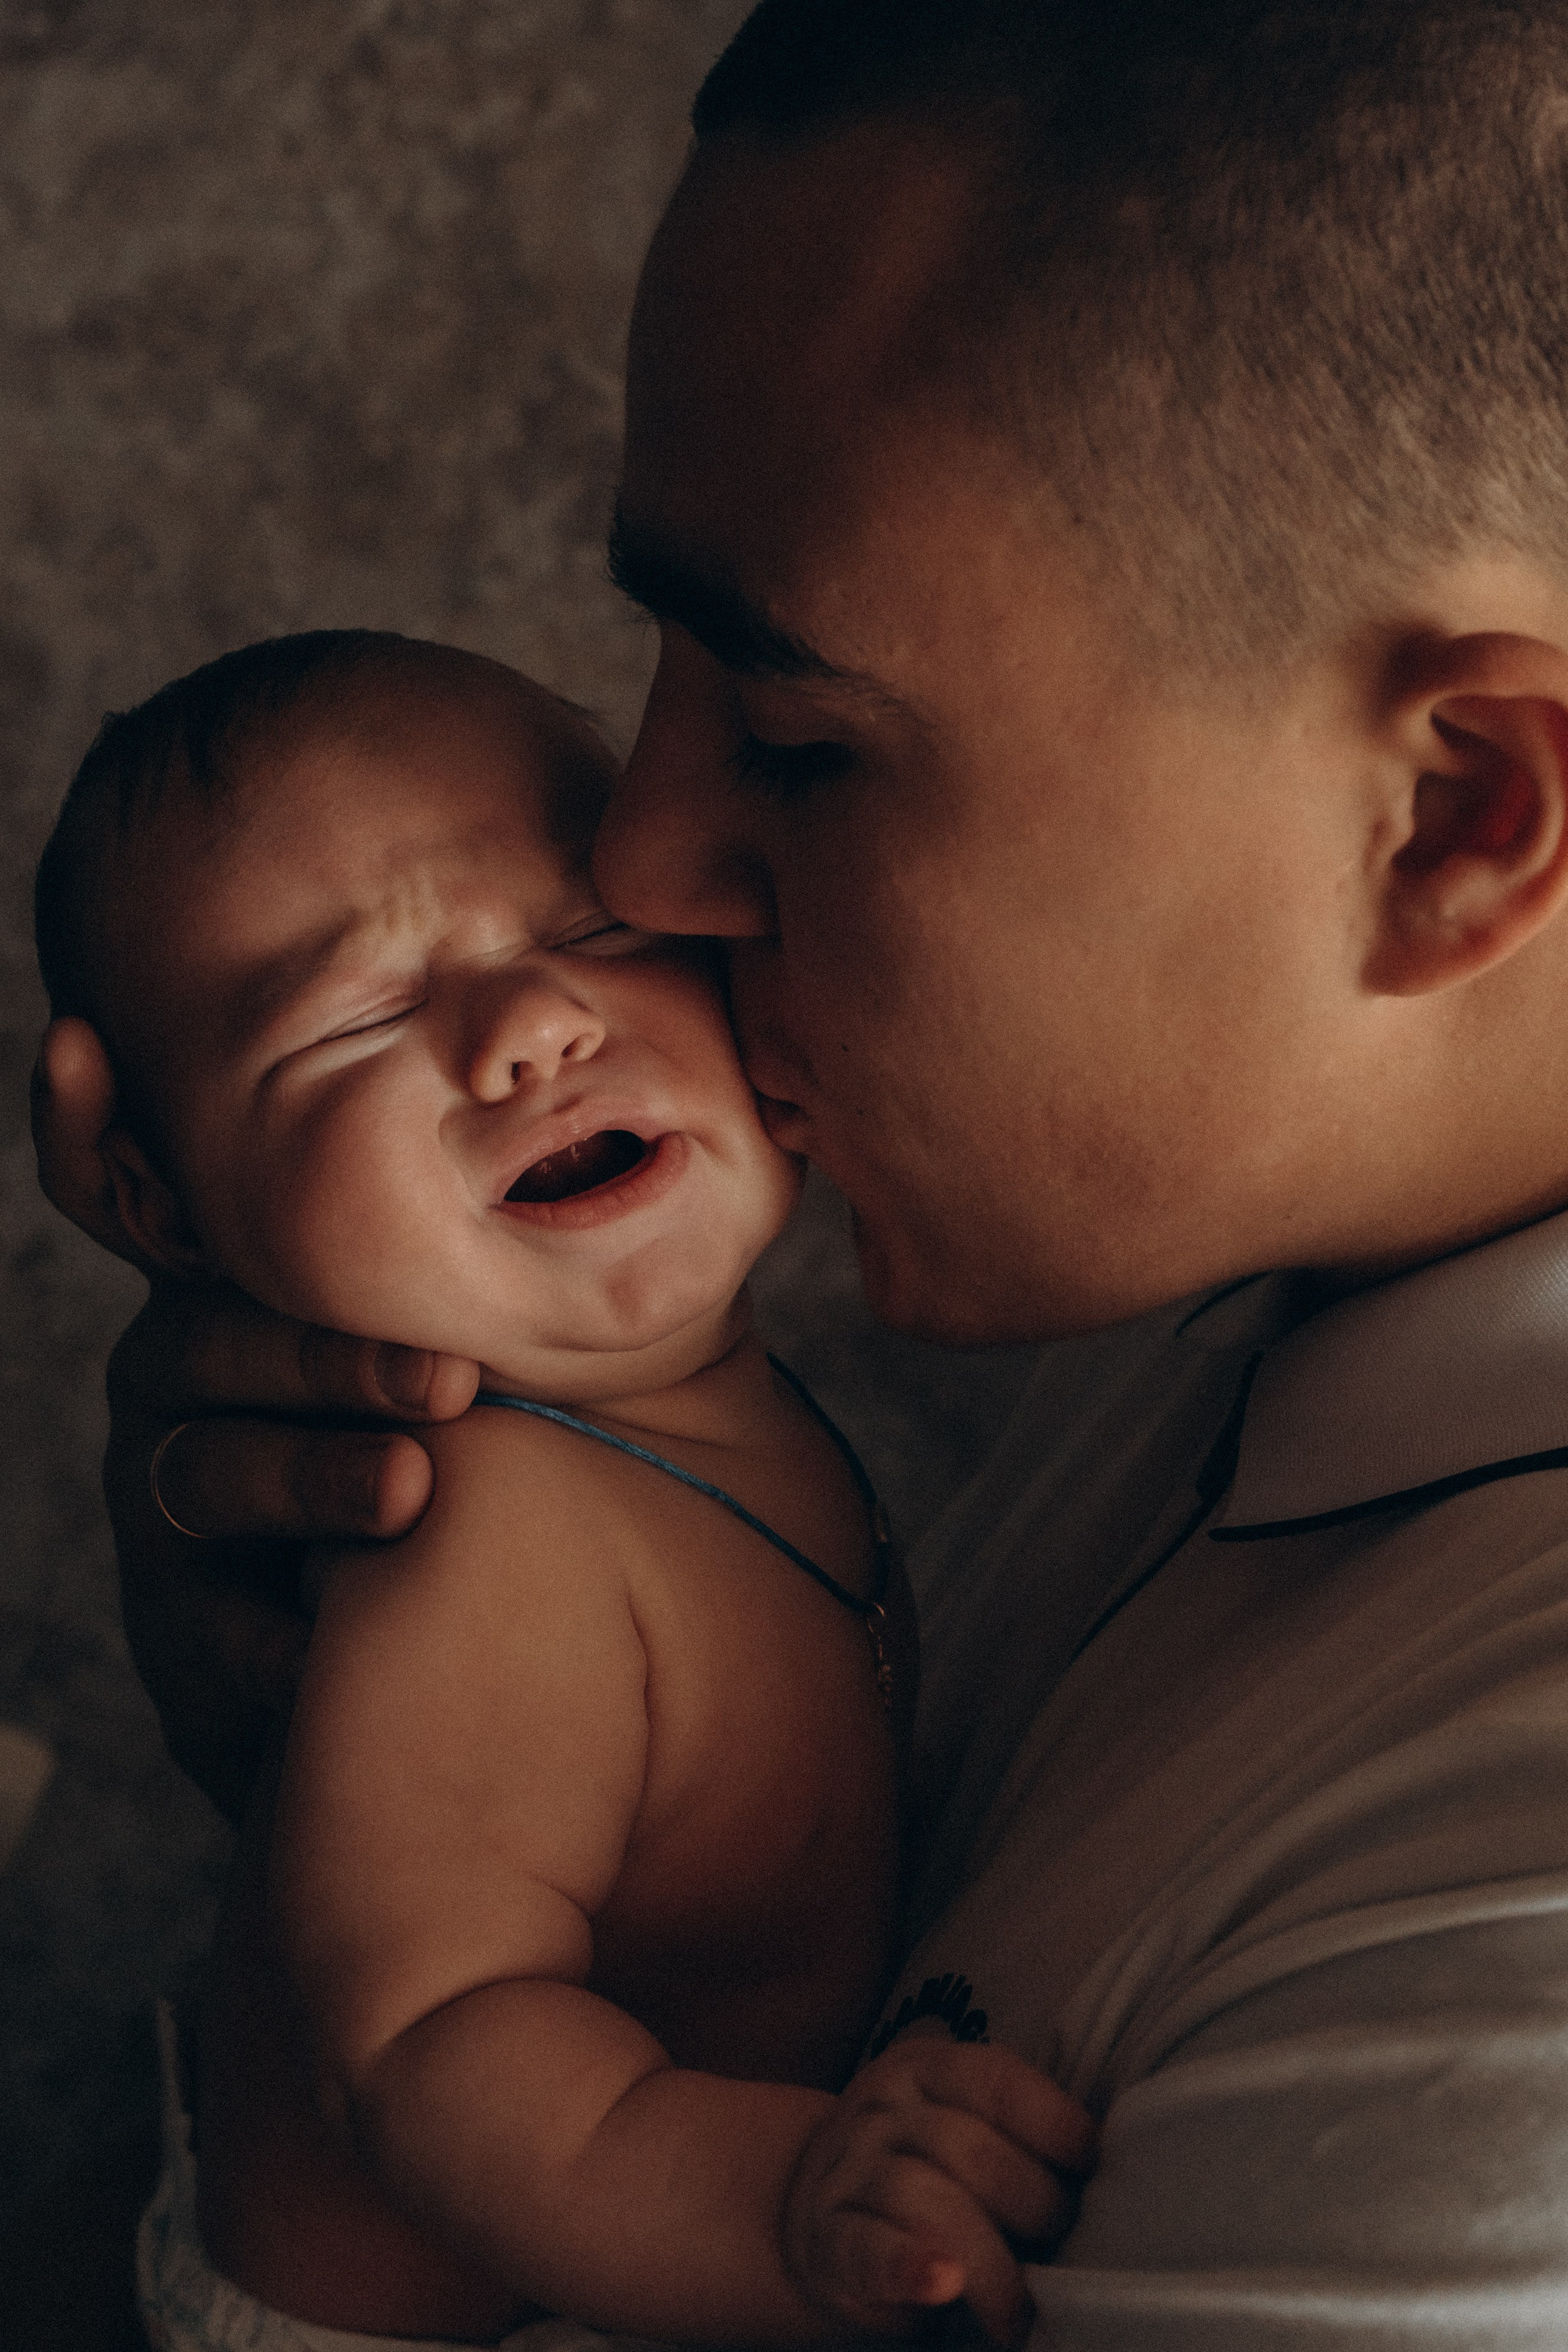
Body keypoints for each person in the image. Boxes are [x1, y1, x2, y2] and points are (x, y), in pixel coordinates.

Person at [33, 0, 1568, 2341]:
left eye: (802, 739)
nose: (642, 857)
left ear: (1454, 818)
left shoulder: (1503, 1986)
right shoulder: (1220, 1251)